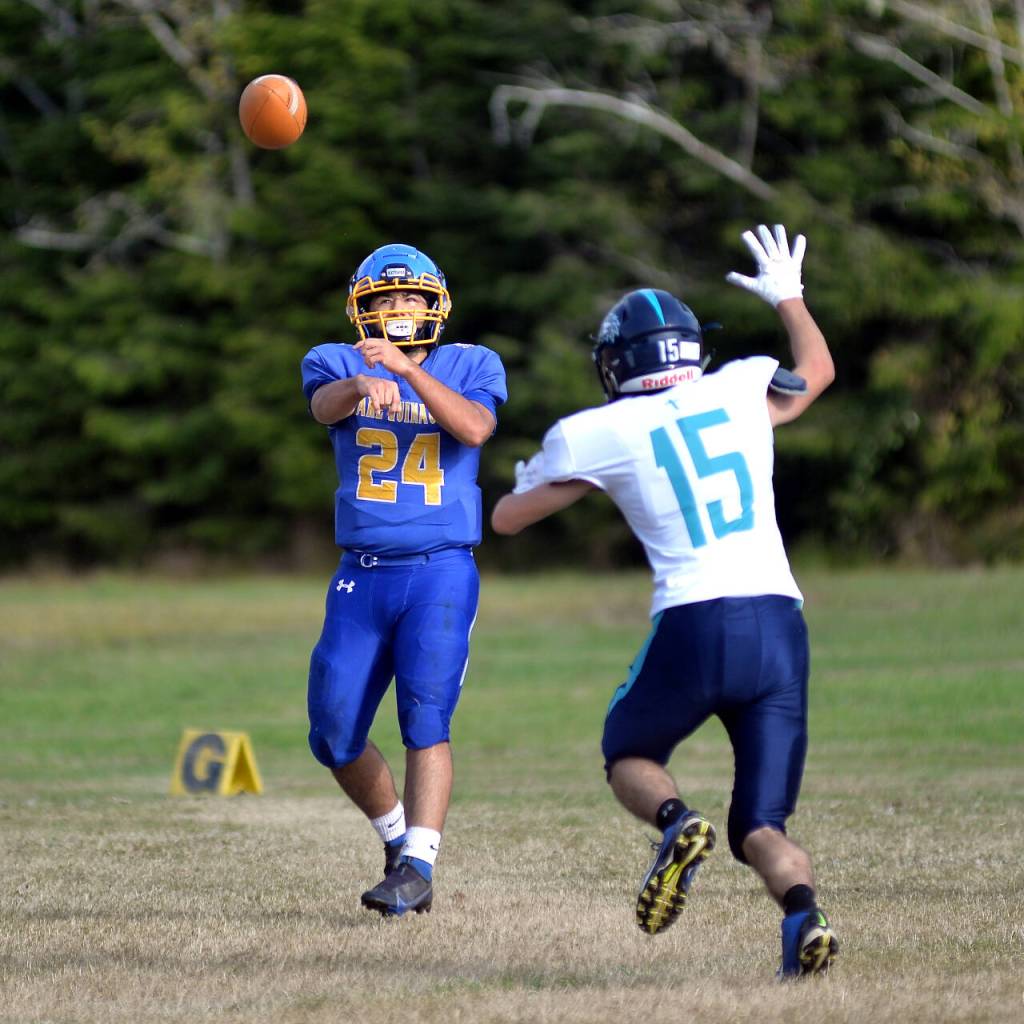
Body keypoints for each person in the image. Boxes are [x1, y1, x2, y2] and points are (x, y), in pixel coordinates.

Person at [491, 224, 838, 977]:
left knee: (629, 751)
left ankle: (676, 824)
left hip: (696, 620)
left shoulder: (598, 431)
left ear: (615, 366)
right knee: (762, 825)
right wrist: (788, 297)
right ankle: (804, 915)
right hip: (780, 622)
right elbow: (816, 371)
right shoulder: (745, 385)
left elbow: (508, 520)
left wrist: (541, 476)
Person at [301, 243, 507, 918]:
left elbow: (474, 426)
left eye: (408, 298)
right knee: (333, 733)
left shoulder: (472, 364)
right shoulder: (339, 360)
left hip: (440, 570)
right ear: (362, 310)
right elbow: (322, 408)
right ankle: (396, 840)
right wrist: (364, 382)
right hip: (361, 575)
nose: (395, 310)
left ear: (434, 305)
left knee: (426, 715)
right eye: (383, 300)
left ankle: (420, 865)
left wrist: (409, 374)